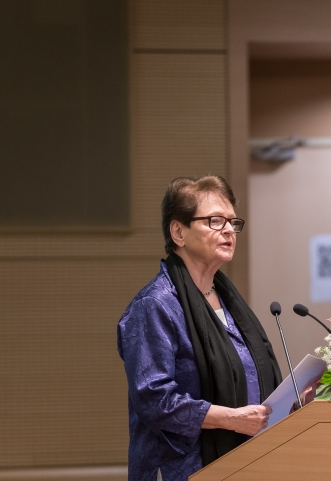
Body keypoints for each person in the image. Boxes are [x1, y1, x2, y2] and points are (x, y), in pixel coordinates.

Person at [117, 175, 282, 481]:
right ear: (178, 231)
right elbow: (153, 398)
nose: (229, 230)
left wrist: (295, 399)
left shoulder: (229, 301)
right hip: (183, 467)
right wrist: (230, 419)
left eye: (233, 222)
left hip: (245, 461)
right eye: (215, 221)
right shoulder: (155, 304)